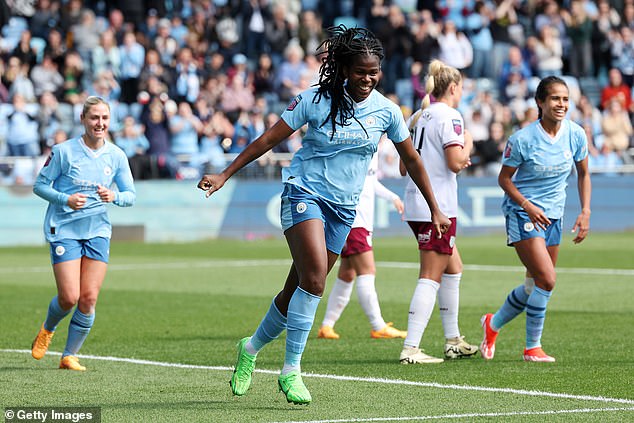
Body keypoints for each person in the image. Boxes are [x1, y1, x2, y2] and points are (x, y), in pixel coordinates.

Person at [197, 26, 450, 405]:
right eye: (361, 71)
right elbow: (269, 139)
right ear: (345, 69)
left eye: (374, 72)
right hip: (304, 192)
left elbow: (410, 158)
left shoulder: (386, 111)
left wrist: (435, 206)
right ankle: (291, 371)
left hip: (344, 208)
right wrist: (224, 174)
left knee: (294, 289)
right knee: (315, 280)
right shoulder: (314, 100)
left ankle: (249, 348)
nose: (368, 78)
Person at [480, 76, 591, 363]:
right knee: (547, 279)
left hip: (554, 215)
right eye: (555, 98)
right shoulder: (522, 140)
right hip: (523, 213)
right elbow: (504, 180)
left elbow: (584, 174)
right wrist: (526, 205)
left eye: (565, 99)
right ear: (540, 102)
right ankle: (532, 348)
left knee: (534, 286)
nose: (561, 104)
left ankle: (492, 325)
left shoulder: (576, 135)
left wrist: (585, 210)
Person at [30, 96, 136, 371]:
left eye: (104, 118)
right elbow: (40, 186)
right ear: (83, 119)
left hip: (97, 230)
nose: (99, 123)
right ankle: (47, 328)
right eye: (94, 118)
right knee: (69, 297)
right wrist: (65, 199)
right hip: (64, 229)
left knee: (88, 298)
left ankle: (69, 356)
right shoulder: (63, 151)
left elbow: (130, 195)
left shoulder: (116, 155)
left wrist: (114, 196)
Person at [398, 60, 479, 365]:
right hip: (438, 207)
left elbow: (402, 166)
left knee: (453, 268)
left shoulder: (418, 116)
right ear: (454, 88)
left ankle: (453, 339)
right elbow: (455, 162)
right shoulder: (451, 117)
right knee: (430, 276)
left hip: (417, 203)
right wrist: (468, 144)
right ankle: (411, 347)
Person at [317, 149, 407, 340]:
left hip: (358, 220)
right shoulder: (356, 145)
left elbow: (370, 182)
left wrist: (392, 197)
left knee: (347, 274)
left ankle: (326, 326)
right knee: (367, 271)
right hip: (355, 219)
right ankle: (378, 325)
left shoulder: (371, 149)